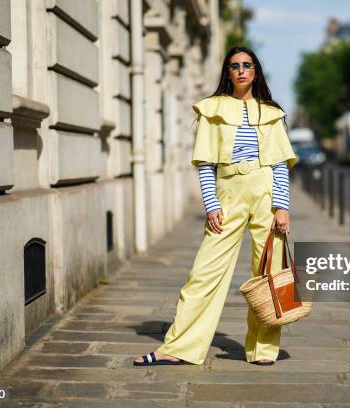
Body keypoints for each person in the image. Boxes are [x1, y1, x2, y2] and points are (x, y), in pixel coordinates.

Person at [133, 46, 298, 367]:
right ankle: (178, 347)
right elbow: (206, 165)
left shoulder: (272, 112)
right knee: (204, 273)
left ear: (255, 71)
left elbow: (280, 165)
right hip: (228, 192)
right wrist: (212, 205)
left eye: (247, 65)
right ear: (227, 72)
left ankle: (263, 349)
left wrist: (282, 206)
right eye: (234, 65)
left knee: (269, 272)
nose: (241, 70)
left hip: (266, 193)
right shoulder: (211, 110)